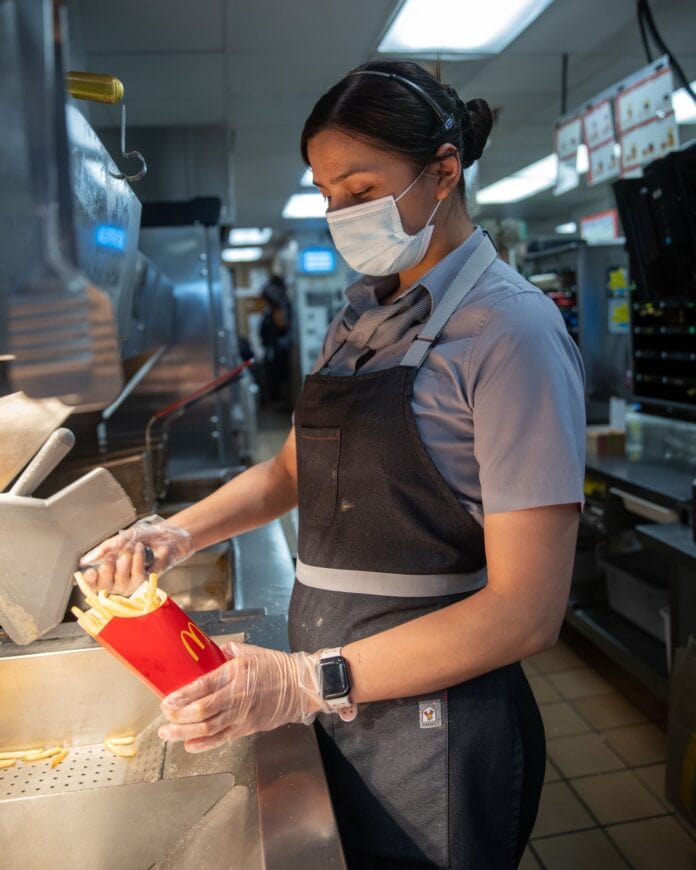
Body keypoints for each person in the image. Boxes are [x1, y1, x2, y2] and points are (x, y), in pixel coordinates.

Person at [81, 60, 586, 869]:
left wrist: (306, 680)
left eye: (359, 189)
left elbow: (527, 611)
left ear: (444, 171)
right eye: (325, 194)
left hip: (436, 728)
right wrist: (171, 534)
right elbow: (289, 473)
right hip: (340, 693)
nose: (337, 214)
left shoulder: (511, 334)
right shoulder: (361, 316)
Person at [259, 274, 292, 405]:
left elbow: (282, 324)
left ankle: (280, 399)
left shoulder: (281, 305)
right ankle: (277, 399)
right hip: (272, 345)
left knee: (278, 375)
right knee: (273, 375)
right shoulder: (275, 305)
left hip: (278, 347)